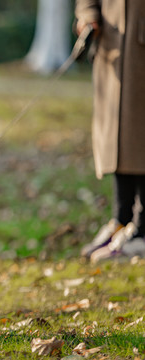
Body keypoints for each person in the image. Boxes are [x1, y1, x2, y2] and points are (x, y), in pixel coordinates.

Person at [75, 0, 145, 262]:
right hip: (111, 49)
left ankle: (141, 230)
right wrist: (88, 16)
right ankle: (122, 220)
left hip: (138, 52)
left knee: (139, 137)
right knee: (119, 139)